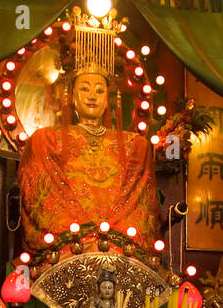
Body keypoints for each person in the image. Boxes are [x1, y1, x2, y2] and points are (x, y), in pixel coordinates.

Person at [17, 67, 158, 253]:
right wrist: (82, 230)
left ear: (108, 100)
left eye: (100, 90)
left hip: (118, 234)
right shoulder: (48, 139)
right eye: (85, 89)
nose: (92, 96)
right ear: (71, 96)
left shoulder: (134, 144)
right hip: (69, 235)